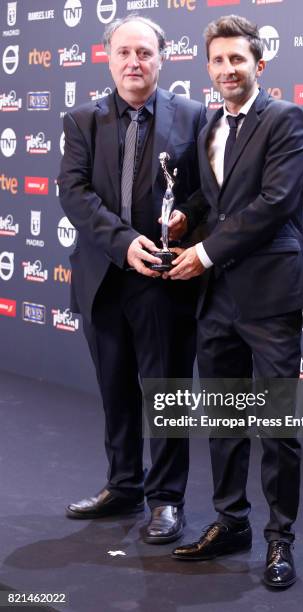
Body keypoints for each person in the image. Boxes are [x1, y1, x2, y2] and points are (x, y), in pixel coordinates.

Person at [167, 15, 303, 587]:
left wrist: (202, 253)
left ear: (259, 64)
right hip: (217, 298)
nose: (228, 70)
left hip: (269, 294)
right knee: (225, 419)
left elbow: (274, 203)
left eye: (238, 60)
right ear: (208, 67)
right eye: (219, 60)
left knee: (276, 425)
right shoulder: (207, 124)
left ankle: (280, 541)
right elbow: (214, 196)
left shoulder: (286, 120)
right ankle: (232, 522)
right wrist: (187, 218)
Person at [58, 14, 206, 544]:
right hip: (103, 277)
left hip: (165, 281)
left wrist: (186, 216)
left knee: (165, 392)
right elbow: (73, 193)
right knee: (115, 390)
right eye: (124, 53)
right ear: (108, 58)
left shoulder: (193, 116)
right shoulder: (82, 120)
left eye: (144, 52)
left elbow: (205, 192)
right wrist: (123, 243)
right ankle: (123, 485)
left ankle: (166, 499)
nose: (134, 62)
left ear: (162, 58)